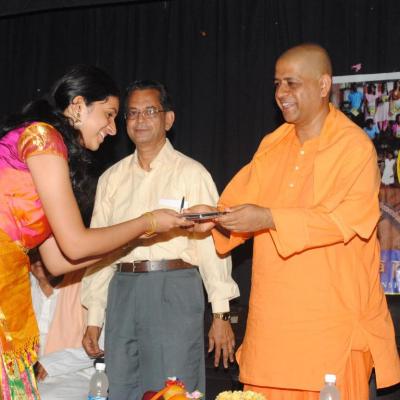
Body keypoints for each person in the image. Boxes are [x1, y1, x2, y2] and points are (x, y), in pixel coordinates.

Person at [188, 44, 400, 400]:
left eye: (291, 83)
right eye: (277, 84)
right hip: (273, 328)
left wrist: (270, 217)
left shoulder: (353, 147)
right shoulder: (273, 145)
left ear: (323, 85)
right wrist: (211, 219)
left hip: (331, 326)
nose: (281, 94)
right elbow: (236, 206)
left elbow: (346, 220)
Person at [0, 66, 190, 399]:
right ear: (77, 106)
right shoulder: (42, 138)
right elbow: (75, 244)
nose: (113, 129)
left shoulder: (44, 149)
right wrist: (147, 223)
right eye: (109, 114)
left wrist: (131, 242)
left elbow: (58, 262)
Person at [81, 80, 240, 400]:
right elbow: (98, 250)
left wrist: (221, 313)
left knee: (174, 388)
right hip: (122, 289)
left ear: (168, 119)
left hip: (174, 287)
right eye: (133, 113)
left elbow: (211, 247)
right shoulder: (112, 179)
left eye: (150, 111)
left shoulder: (192, 173)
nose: (140, 120)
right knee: (121, 385)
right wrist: (94, 316)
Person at [30, 256, 97, 400]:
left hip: (74, 374)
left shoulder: (88, 281)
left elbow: (102, 344)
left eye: (45, 253)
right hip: (22, 375)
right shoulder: (18, 287)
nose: (39, 260)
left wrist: (52, 363)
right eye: (35, 252)